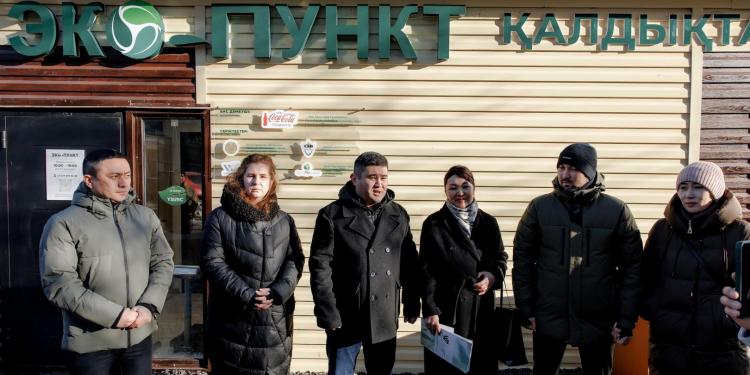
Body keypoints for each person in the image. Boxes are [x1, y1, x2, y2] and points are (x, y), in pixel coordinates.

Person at [39, 149, 174, 375]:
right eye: (114, 176)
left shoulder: (144, 217)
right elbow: (60, 283)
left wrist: (149, 306)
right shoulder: (63, 223)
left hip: (139, 336)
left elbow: (163, 262)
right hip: (91, 343)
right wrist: (117, 316)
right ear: (89, 181)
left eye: (127, 175)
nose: (124, 183)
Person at [512, 143, 642, 375]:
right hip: (549, 315)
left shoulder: (616, 210)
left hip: (598, 318)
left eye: (573, 168)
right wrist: (526, 307)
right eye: (561, 167)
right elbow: (522, 261)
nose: (565, 174)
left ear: (590, 173)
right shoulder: (539, 207)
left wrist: (625, 319)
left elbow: (632, 268)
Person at [309, 151, 421, 375]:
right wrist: (327, 311)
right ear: (354, 178)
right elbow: (320, 268)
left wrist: (411, 301)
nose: (379, 184)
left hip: (384, 313)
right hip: (346, 314)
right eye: (372, 177)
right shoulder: (332, 215)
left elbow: (409, 261)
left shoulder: (398, 214)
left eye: (384, 177)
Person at [642, 161, 750, 375]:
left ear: (715, 192)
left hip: (722, 349)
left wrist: (730, 321)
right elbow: (646, 278)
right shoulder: (662, 230)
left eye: (698, 186)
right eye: (683, 187)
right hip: (668, 348)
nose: (689, 194)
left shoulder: (740, 232)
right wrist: (655, 312)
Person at [201, 154, 305, 375]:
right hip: (233, 317)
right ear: (241, 179)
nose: (256, 181)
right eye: (251, 175)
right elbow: (212, 262)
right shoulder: (219, 218)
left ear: (272, 181)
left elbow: (294, 260)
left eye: (263, 176)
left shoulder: (284, 220)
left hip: (275, 318)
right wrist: (247, 294)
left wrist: (278, 292)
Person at [420, 165, 507, 374]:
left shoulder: (488, 222)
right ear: (445, 191)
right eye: (453, 188)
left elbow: (500, 257)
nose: (460, 193)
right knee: (446, 368)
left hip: (480, 308)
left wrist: (492, 276)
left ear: (474, 188)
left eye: (465, 186)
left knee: (480, 364)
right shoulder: (434, 224)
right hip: (447, 308)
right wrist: (430, 310)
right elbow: (426, 270)